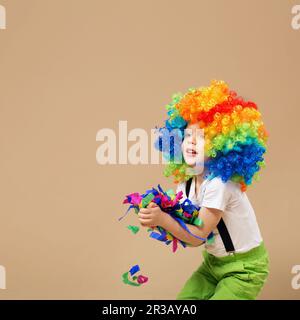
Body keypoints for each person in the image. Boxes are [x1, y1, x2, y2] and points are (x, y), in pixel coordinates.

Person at [137, 80, 270, 299]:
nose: (191, 142)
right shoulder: (187, 182)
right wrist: (155, 212)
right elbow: (183, 225)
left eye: (202, 138)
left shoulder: (220, 184)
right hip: (213, 264)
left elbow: (198, 236)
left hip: (244, 270)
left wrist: (162, 219)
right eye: (188, 135)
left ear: (223, 145)